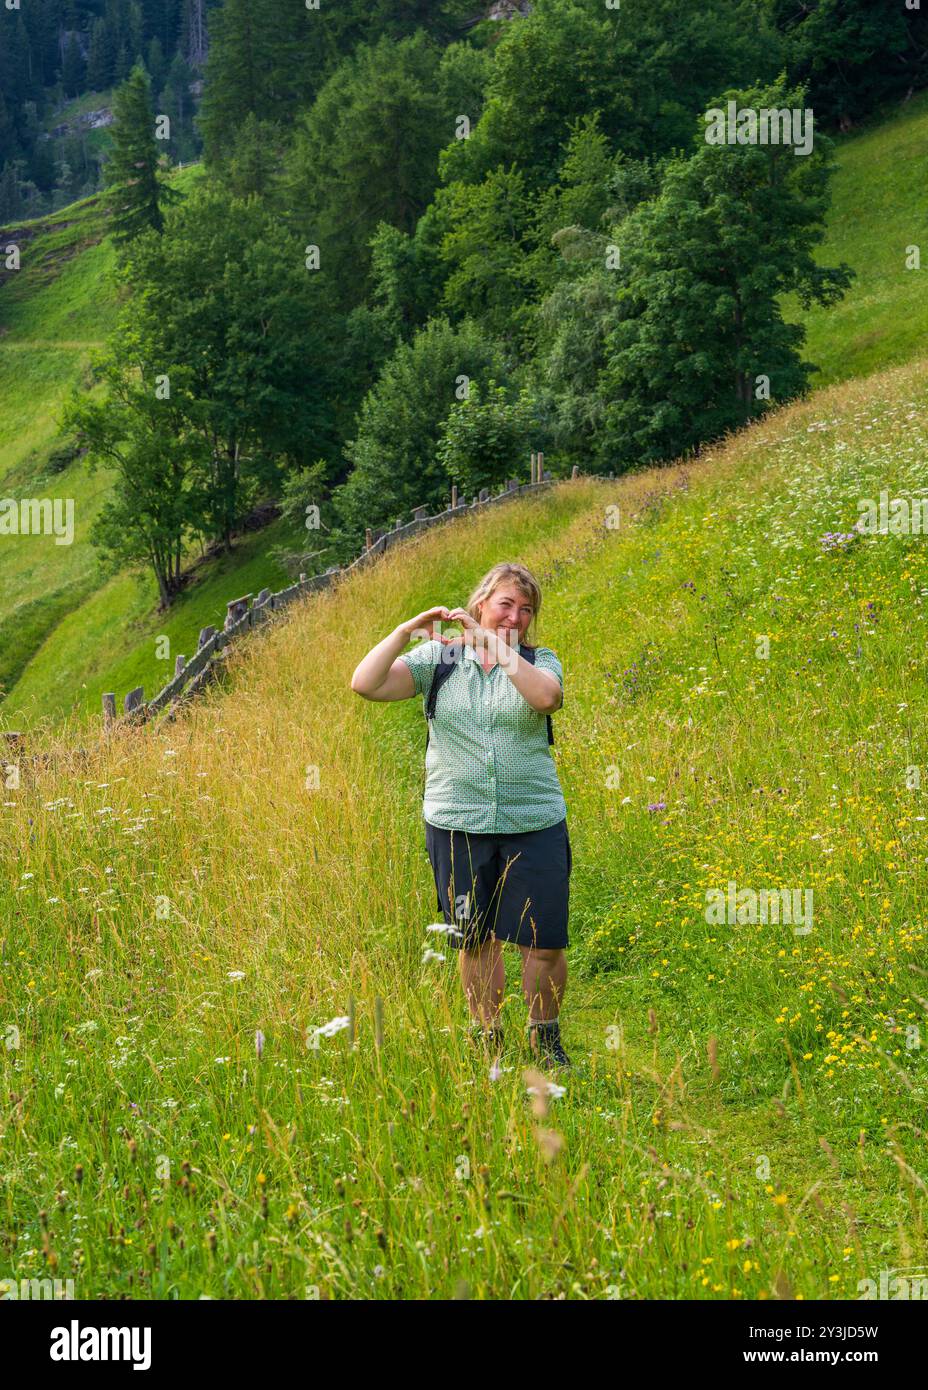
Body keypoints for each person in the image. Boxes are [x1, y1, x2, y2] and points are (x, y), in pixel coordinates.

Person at [350, 561, 573, 1070]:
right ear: (480, 606)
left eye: (525, 609)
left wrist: (496, 645)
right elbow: (365, 684)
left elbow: (546, 699)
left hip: (533, 821)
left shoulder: (541, 661)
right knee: (475, 940)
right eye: (505, 605)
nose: (514, 617)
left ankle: (544, 1038)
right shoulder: (438, 660)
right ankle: (487, 1037)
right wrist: (405, 631)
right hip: (457, 824)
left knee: (543, 942)